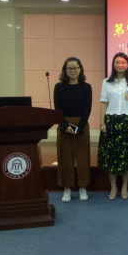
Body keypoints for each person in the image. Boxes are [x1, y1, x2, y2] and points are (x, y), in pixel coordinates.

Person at [98, 53, 128, 200]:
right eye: (117, 62)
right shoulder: (106, 82)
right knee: (111, 155)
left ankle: (125, 185)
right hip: (111, 121)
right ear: (113, 64)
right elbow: (104, 103)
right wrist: (102, 122)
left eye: (123, 62)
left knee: (127, 155)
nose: (120, 65)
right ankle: (113, 186)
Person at [54, 57, 92, 203]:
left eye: (75, 68)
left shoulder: (86, 87)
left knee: (83, 158)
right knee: (65, 159)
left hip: (81, 126)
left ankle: (82, 187)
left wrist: (80, 127)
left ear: (80, 69)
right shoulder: (59, 87)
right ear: (65, 70)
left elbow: (87, 109)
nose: (72, 71)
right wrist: (64, 126)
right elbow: (57, 109)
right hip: (65, 125)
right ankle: (67, 188)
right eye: (69, 68)